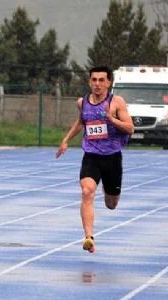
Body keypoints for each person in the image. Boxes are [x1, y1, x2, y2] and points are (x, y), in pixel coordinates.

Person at [55, 66, 134, 253]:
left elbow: (130, 128)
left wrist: (111, 119)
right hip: (91, 156)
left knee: (111, 204)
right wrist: (66, 140)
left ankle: (109, 190)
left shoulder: (117, 102)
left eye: (101, 80)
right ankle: (88, 237)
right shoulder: (82, 103)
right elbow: (81, 122)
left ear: (108, 83)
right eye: (94, 80)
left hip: (112, 157)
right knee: (87, 191)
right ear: (90, 82)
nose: (97, 84)